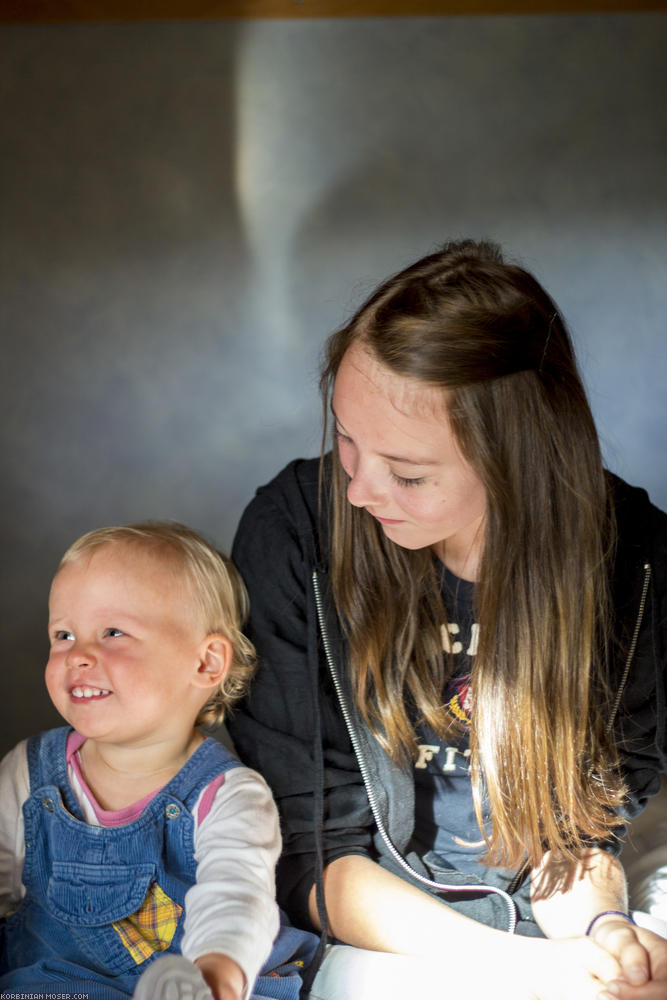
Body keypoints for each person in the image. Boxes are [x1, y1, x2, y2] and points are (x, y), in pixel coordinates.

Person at [228, 239, 667, 1000]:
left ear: (514, 462)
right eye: (346, 440)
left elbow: (581, 836)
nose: (360, 489)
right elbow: (309, 854)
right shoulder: (294, 530)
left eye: (406, 472)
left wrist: (602, 934)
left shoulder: (636, 557)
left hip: (548, 921)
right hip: (375, 929)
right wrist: (535, 969)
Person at [0, 522, 317, 1000]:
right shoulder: (30, 772)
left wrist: (216, 975)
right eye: (63, 634)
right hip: (57, 985)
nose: (78, 655)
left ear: (206, 663)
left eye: (112, 632)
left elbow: (236, 899)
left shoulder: (226, 794)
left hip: (195, 983)